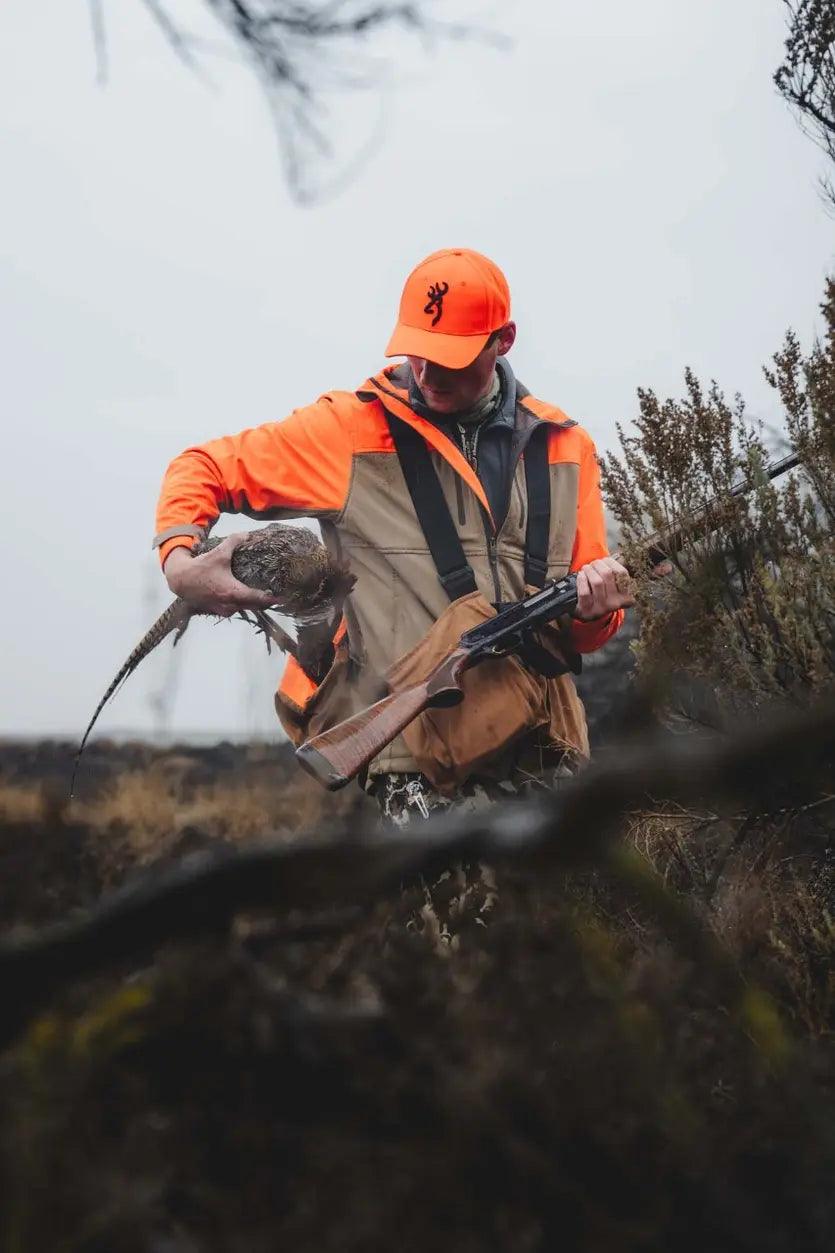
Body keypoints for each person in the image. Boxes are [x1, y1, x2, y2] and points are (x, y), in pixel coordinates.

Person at [154, 248, 633, 827]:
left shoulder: (565, 446)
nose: (427, 375)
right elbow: (203, 466)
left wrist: (595, 611)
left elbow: (583, 630)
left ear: (502, 340)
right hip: (415, 770)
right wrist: (180, 562)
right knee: (452, 918)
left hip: (541, 755)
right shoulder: (347, 430)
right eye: (418, 352)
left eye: (449, 358)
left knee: (571, 916)